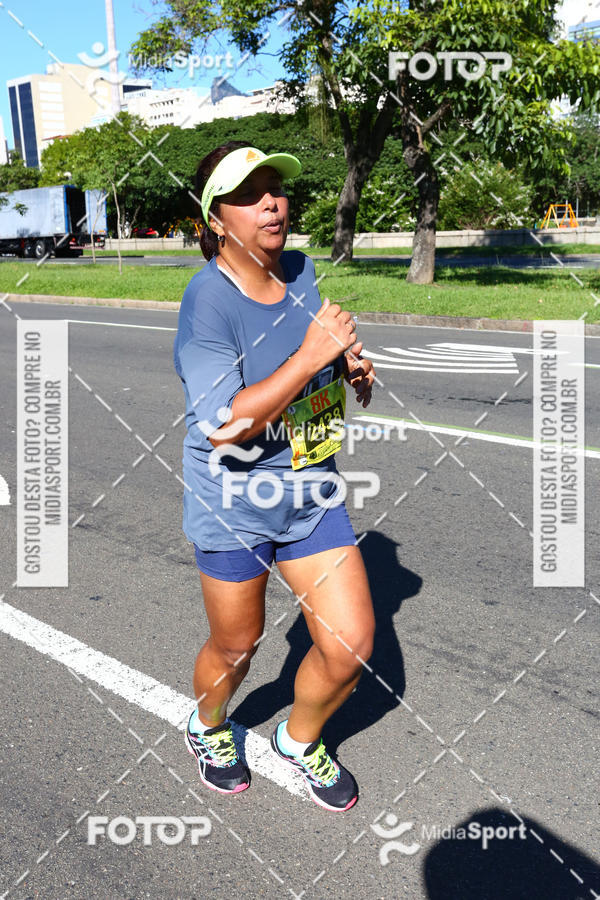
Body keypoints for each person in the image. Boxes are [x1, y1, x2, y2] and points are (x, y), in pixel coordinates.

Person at [173, 141, 376, 812]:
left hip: (309, 486)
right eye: (249, 193)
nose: (272, 201)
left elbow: (305, 351)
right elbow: (226, 424)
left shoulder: (300, 268)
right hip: (234, 499)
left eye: (276, 188)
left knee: (349, 648)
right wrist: (312, 353)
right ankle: (208, 727)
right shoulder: (207, 302)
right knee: (238, 645)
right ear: (215, 220)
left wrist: (342, 361)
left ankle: (298, 738)